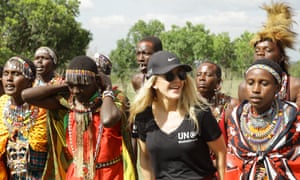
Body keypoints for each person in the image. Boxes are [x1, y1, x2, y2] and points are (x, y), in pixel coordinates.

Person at [22, 55, 137, 180]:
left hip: (110, 174)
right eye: (72, 86)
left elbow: (108, 120)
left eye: (82, 85)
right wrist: (65, 85)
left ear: (97, 81)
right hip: (77, 174)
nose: (76, 91)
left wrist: (107, 89)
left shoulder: (114, 100)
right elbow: (26, 96)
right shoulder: (67, 103)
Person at [129, 51, 226, 179]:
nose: (177, 81)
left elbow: (221, 151)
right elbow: (146, 158)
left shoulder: (199, 112)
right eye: (169, 76)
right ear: (154, 82)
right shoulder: (143, 117)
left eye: (181, 75)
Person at [226, 59, 300, 179]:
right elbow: (232, 160)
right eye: (250, 83)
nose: (255, 89)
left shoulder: (293, 116)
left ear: (278, 87)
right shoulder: (236, 117)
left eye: (264, 83)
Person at [238, 2, 300, 107]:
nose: (261, 53)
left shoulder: (295, 86)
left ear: (281, 57)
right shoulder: (244, 88)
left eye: (267, 50)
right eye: (257, 51)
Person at [0, 56, 49, 179]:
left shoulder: (44, 108)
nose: (9, 79)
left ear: (29, 80)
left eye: (16, 74)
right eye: (6, 74)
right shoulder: (1, 105)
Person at [196, 61, 239, 142]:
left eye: (208, 75)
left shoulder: (231, 105)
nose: (201, 78)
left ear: (218, 83)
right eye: (198, 74)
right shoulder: (188, 104)